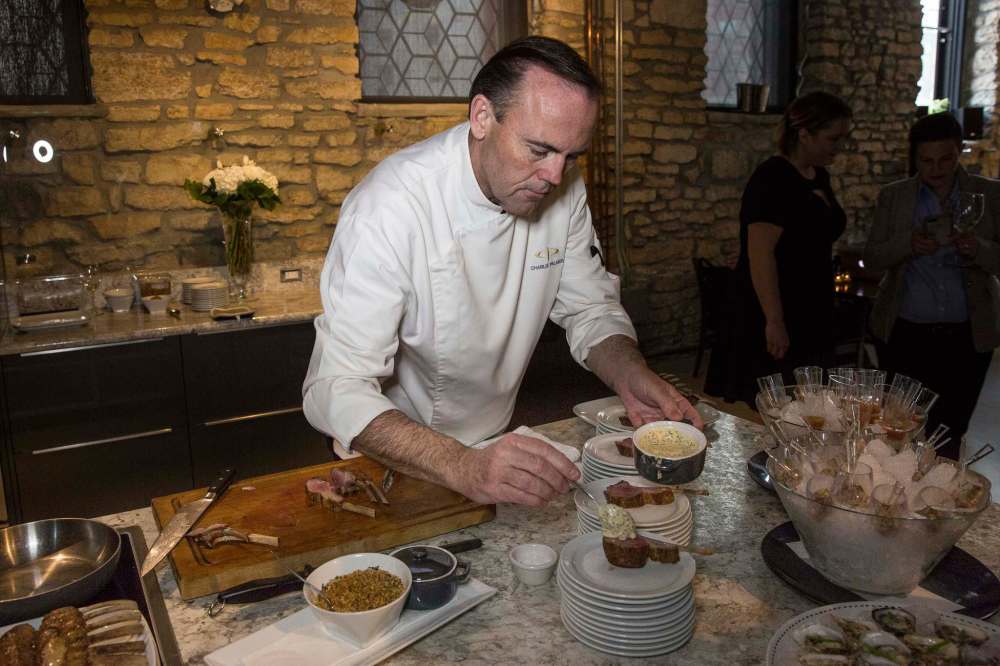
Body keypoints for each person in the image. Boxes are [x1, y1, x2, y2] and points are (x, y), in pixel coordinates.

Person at [302, 36, 700, 508]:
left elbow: (589, 308)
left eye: (571, 156)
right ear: (482, 117)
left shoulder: (562, 188)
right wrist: (461, 465)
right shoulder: (390, 207)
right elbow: (336, 388)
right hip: (395, 455)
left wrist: (630, 373)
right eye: (539, 149)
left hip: (496, 447)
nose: (555, 176)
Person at [864, 112, 1000, 460]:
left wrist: (978, 249)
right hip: (907, 332)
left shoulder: (988, 194)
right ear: (915, 158)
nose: (936, 169)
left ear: (959, 154)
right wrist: (908, 244)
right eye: (926, 161)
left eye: (946, 159)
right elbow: (873, 257)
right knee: (898, 427)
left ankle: (938, 500)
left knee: (949, 433)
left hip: (966, 335)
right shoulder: (895, 197)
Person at [704, 91, 852, 406]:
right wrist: (775, 320)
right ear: (805, 134)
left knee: (812, 399)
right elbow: (761, 253)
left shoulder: (818, 176)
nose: (839, 147)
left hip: (812, 304)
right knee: (778, 402)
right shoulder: (772, 178)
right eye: (833, 138)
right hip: (777, 304)